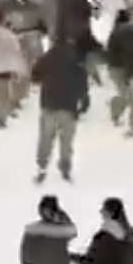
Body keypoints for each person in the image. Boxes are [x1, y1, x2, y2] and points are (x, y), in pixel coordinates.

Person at [32, 37, 89, 184]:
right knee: (66, 140)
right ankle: (65, 167)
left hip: (49, 105)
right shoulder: (76, 60)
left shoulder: (47, 58)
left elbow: (35, 75)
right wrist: (83, 101)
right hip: (69, 106)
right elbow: (83, 83)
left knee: (46, 138)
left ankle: (42, 166)